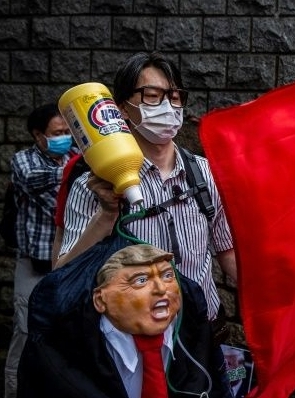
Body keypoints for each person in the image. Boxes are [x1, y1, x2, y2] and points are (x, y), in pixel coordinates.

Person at [56, 51, 237, 326]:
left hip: (203, 332)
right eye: (152, 96)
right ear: (122, 110)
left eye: (174, 97)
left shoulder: (205, 173)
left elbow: (227, 253)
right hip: (135, 346)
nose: (168, 107)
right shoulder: (95, 186)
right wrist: (106, 216)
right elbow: (64, 275)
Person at [18, 244, 232, 397]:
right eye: (140, 281)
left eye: (167, 275)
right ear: (101, 300)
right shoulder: (60, 351)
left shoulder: (192, 326)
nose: (161, 289)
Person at [5, 103, 77, 398]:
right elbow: (53, 201)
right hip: (34, 265)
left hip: (70, 263)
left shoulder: (76, 159)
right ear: (38, 136)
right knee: (24, 334)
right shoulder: (23, 161)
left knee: (67, 336)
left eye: (67, 132)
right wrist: (78, 171)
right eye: (56, 133)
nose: (64, 137)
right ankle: (13, 392)